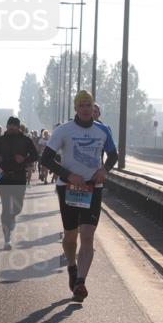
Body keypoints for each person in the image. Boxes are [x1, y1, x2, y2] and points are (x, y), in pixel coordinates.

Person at [40, 90, 118, 302]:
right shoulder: (64, 130)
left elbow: (113, 155)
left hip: (93, 188)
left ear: (93, 108)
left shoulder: (103, 130)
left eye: (89, 105)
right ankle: (72, 266)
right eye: (81, 105)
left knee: (88, 235)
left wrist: (105, 170)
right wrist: (69, 175)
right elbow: (45, 159)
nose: (85, 109)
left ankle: (81, 282)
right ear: (76, 108)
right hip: (69, 188)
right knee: (71, 236)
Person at [0, 116, 40, 249]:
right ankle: (7, 239)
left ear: (19, 127)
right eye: (10, 125)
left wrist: (24, 159)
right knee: (5, 208)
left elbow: (35, 156)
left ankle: (13, 217)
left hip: (19, 177)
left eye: (14, 125)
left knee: (17, 207)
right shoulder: (0, 140)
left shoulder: (26, 140)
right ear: (6, 126)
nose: (12, 127)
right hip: (4, 177)